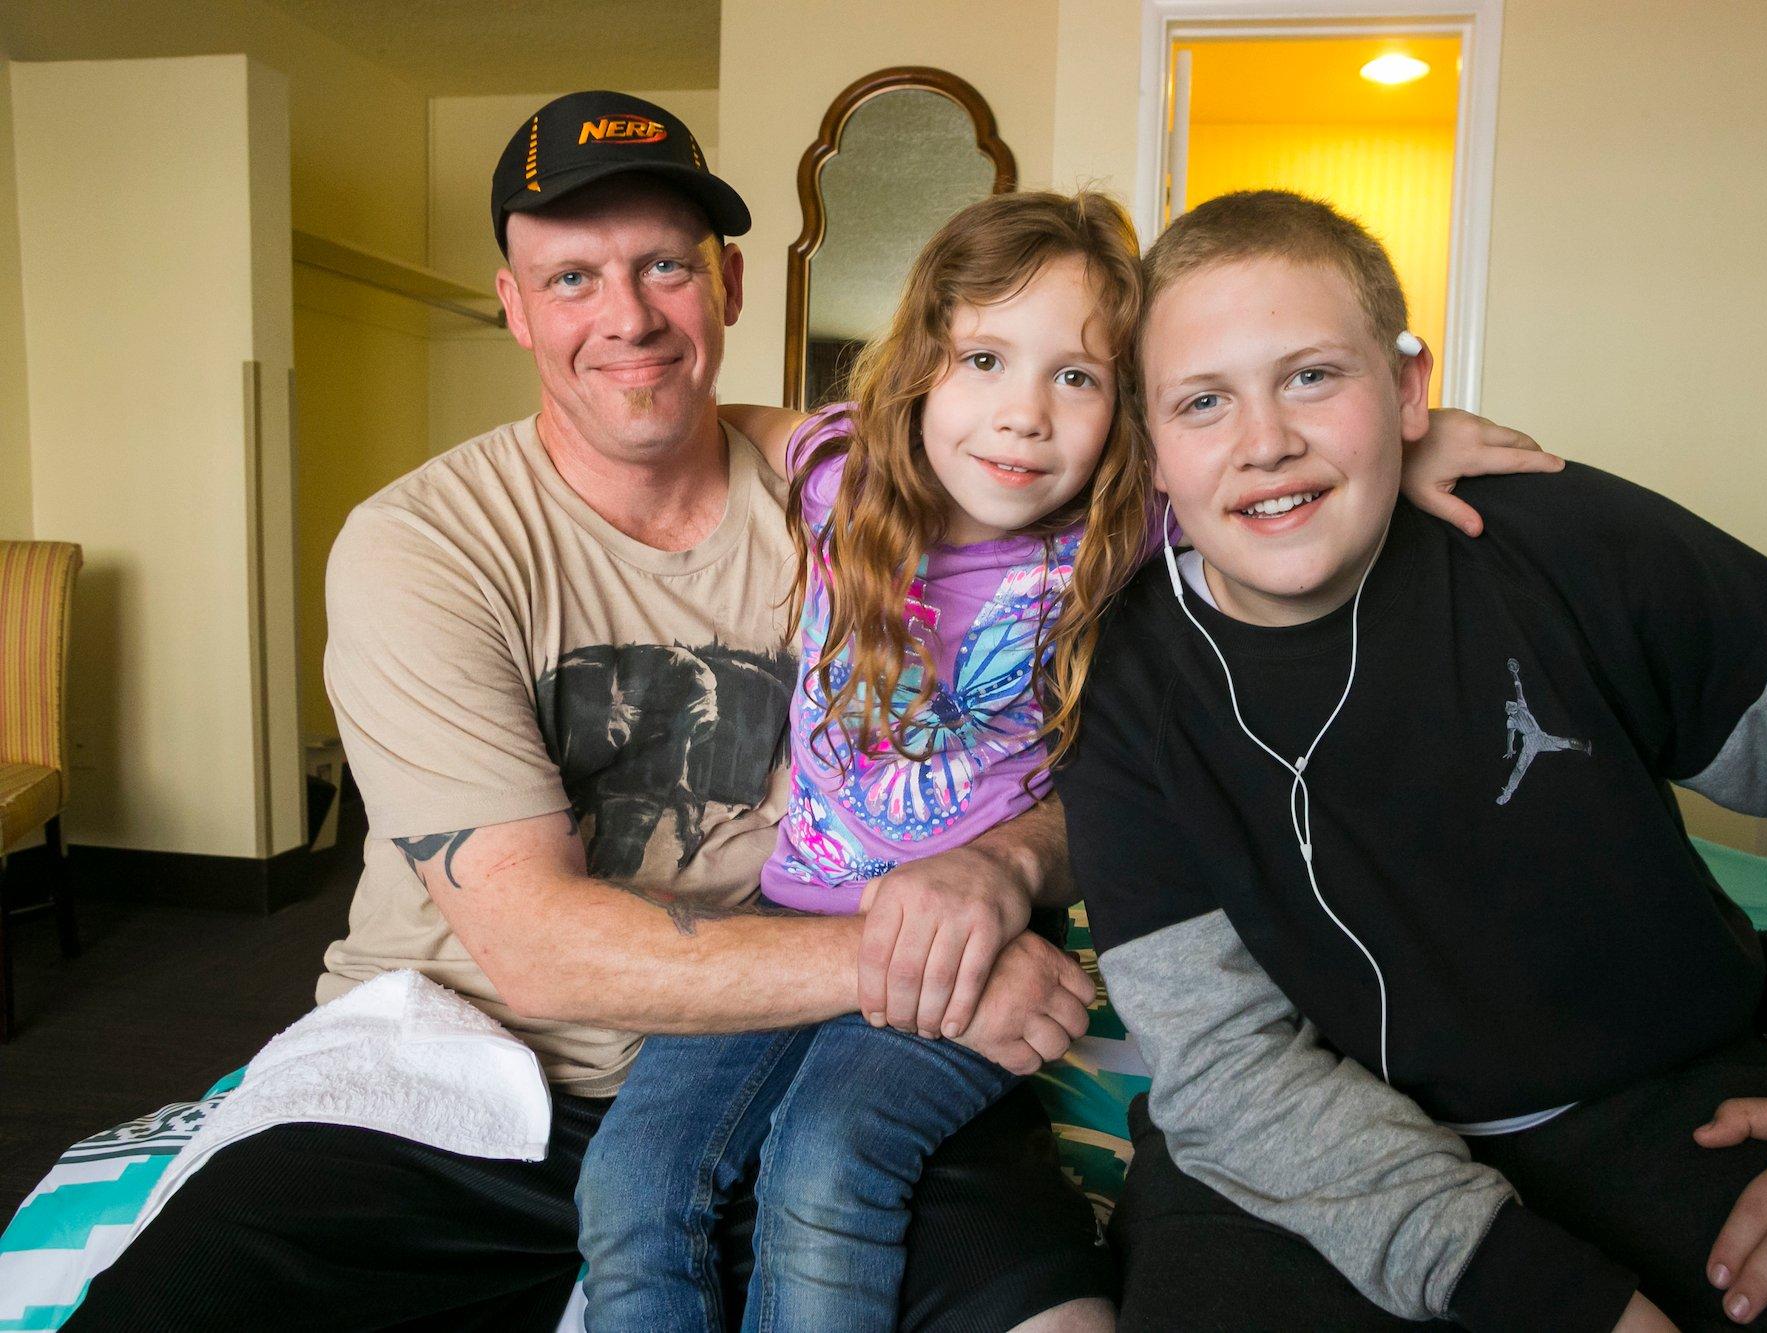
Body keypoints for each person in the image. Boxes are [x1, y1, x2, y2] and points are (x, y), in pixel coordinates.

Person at [57, 97, 1542, 1328]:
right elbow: (532, 940)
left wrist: (1367, 451)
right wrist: (924, 957)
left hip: (855, 1033)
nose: (627, 317)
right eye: (572, 276)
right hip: (482, 1068)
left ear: (732, 287)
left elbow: (1204, 502)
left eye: (665, 267)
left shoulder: (850, 483)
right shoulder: (430, 542)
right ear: (512, 305)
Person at [1057, 190, 1767, 1333]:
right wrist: (1534, 1290)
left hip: (1656, 1099)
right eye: (1203, 402)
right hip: (1300, 1156)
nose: (1265, 440)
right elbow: (1222, 1063)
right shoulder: (1120, 681)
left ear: (1407, 389)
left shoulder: (1563, 541)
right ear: (1151, 452)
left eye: (1312, 376)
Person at [573, 190, 1148, 1332]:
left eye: (1074, 378)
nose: (1022, 415)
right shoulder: (842, 473)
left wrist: (1423, 440)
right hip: (785, 927)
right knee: (626, 1185)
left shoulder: (1126, 532)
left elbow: (1273, 464)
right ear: (921, 368)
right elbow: (720, 416)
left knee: (825, 1172)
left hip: (962, 951)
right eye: (983, 358)